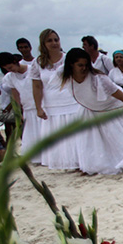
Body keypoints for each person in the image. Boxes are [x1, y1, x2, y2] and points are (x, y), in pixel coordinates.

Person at [61, 48, 123, 175]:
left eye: (86, 65)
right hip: (91, 111)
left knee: (122, 143)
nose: (84, 68)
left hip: (113, 109)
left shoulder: (99, 79)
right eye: (80, 65)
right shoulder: (66, 77)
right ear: (71, 65)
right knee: (92, 143)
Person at [31, 29, 81, 169]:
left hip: (71, 101)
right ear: (43, 44)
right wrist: (38, 107)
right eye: (50, 40)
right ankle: (63, 162)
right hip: (51, 103)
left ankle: (78, 162)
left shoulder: (68, 59)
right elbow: (36, 86)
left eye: (56, 40)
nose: (54, 43)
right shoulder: (38, 62)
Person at [0, 52, 40, 154]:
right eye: (6, 69)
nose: (9, 70)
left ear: (15, 61)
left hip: (38, 106)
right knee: (30, 134)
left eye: (10, 67)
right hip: (26, 108)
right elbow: (15, 95)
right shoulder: (10, 77)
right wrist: (18, 113)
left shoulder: (32, 70)